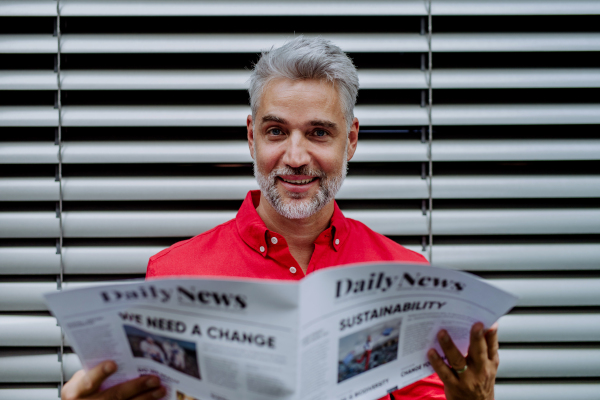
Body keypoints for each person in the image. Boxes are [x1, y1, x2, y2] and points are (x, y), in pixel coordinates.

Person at [61, 36, 499, 400]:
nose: (294, 157)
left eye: (318, 133)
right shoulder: (173, 272)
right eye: (276, 131)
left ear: (351, 141)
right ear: (251, 137)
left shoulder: (407, 274)